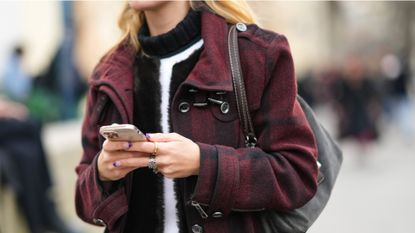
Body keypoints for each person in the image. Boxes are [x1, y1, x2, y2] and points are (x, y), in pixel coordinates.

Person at [75, 1, 319, 233]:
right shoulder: (108, 72)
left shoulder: (256, 53)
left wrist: (203, 163)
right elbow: (83, 203)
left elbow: (297, 173)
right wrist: (102, 172)